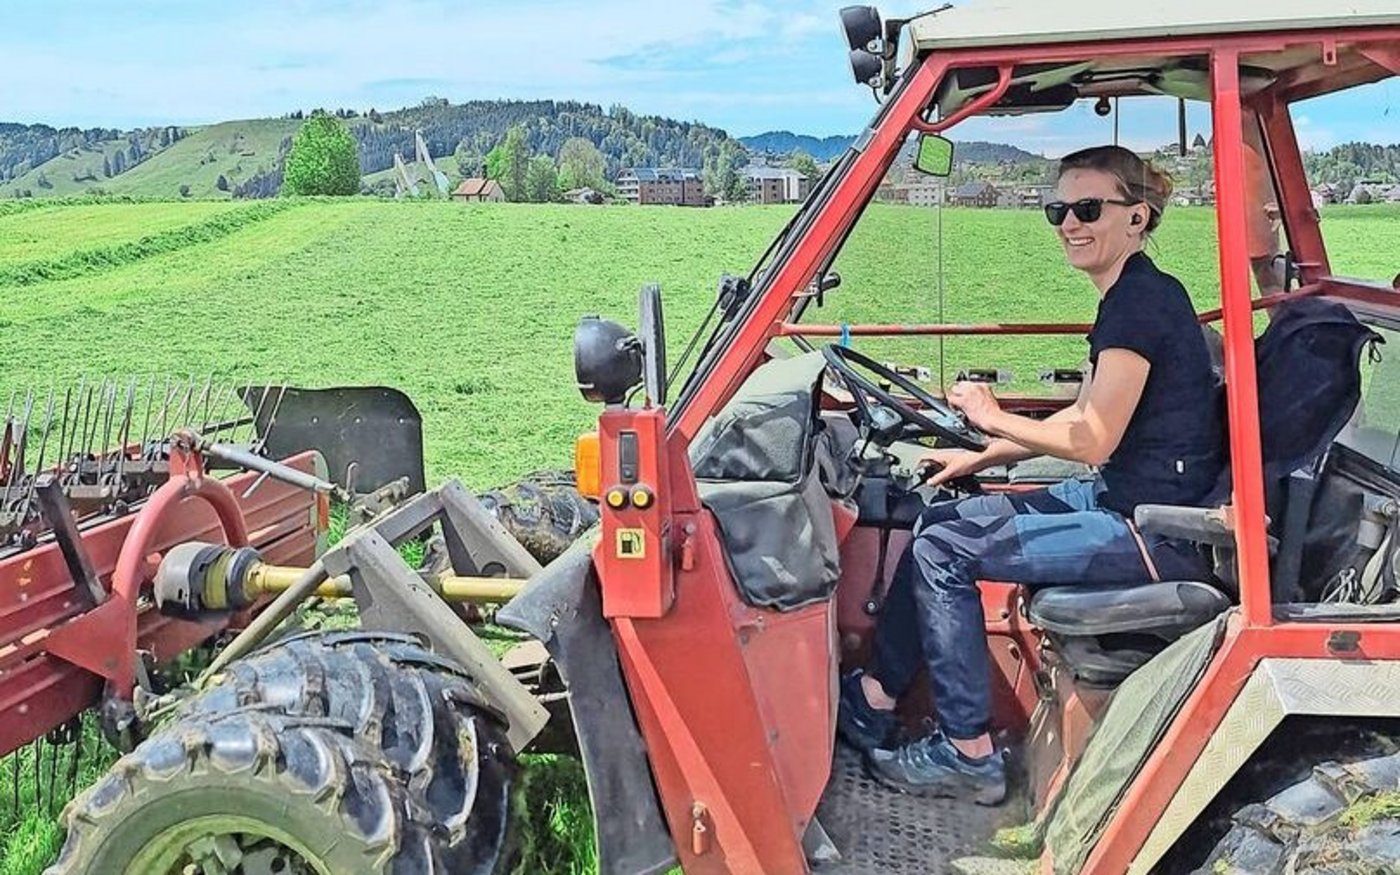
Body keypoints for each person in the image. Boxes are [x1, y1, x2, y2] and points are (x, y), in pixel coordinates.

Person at [837, 145, 1224, 805]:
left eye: (1088, 208)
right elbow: (1082, 415)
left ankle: (968, 752)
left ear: (1137, 217)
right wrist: (981, 456)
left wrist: (991, 414)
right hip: (1123, 494)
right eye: (1058, 210)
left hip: (1152, 528)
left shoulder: (1139, 305)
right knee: (940, 519)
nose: (1069, 223)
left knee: (944, 547)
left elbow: (1092, 437)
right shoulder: (1135, 294)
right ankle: (875, 696)